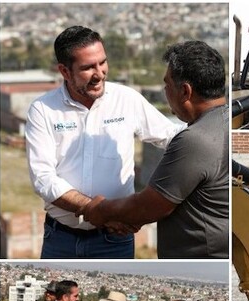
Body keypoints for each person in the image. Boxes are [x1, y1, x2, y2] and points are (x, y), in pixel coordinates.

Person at [25, 26, 183, 259]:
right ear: (64, 71)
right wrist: (95, 210)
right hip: (60, 239)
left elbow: (170, 136)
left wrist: (209, 131)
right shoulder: (43, 110)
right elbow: (43, 178)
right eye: (88, 67)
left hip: (114, 240)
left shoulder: (126, 99)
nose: (99, 74)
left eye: (102, 63)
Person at [79, 40, 229, 258]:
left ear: (185, 91)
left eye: (167, 84)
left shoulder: (194, 140)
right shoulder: (225, 123)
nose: (165, 91)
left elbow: (149, 206)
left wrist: (99, 209)